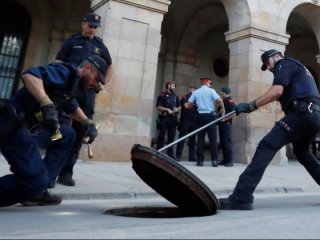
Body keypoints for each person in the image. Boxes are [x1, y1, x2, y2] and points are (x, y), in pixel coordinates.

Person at [219, 49, 320, 210]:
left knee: (266, 146)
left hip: (301, 113)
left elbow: (276, 91)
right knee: (302, 152)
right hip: (313, 115)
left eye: (268, 63)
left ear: (276, 57)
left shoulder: (284, 64)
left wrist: (250, 106)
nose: (269, 68)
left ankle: (242, 197)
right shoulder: (299, 68)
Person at [13, 55, 107, 206]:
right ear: (88, 68)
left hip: (35, 129)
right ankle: (32, 187)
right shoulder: (65, 72)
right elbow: (29, 74)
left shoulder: (72, 85)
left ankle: (40, 191)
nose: (96, 84)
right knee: (30, 177)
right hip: (16, 126)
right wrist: (46, 103)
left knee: (67, 134)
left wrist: (88, 123)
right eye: (97, 79)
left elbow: (72, 105)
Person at [55, 12, 113, 186]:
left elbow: (109, 66)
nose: (92, 29)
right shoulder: (72, 42)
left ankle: (66, 173)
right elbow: (58, 61)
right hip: (69, 90)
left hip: (87, 93)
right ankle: (53, 168)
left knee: (81, 132)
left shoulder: (100, 46)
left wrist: (102, 84)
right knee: (63, 130)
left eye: (95, 27)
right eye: (90, 25)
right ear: (83, 24)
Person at [0, 101, 48, 207]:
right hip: (10, 124)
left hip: (14, 122)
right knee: (35, 181)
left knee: (67, 134)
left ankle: (36, 193)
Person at [185, 77, 225, 167]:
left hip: (200, 116)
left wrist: (193, 107)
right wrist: (222, 110)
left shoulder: (196, 92)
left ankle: (200, 161)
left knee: (200, 139)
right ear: (207, 83)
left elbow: (189, 104)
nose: (211, 85)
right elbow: (219, 100)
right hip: (210, 116)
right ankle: (214, 160)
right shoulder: (211, 91)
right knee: (213, 139)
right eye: (210, 83)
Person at [156, 81, 181, 158]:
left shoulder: (175, 96)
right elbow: (158, 107)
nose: (174, 87)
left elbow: (179, 106)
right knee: (162, 136)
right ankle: (159, 153)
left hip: (173, 119)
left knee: (172, 137)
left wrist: (177, 109)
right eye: (173, 86)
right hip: (165, 118)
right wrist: (167, 109)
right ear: (168, 86)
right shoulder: (162, 95)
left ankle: (170, 155)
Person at [175, 86, 197, 162]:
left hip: (194, 121)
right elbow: (186, 106)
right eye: (192, 89)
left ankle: (192, 157)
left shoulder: (196, 98)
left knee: (193, 140)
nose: (193, 91)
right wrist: (194, 106)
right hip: (185, 121)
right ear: (189, 90)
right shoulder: (185, 97)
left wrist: (193, 105)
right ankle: (178, 156)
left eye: (195, 90)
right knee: (182, 139)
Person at [218, 86, 236, 167]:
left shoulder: (230, 100)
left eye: (222, 91)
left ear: (224, 92)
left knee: (227, 142)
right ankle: (225, 160)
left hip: (226, 124)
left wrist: (225, 119)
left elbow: (234, 113)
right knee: (222, 142)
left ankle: (230, 161)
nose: (221, 93)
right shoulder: (223, 100)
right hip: (221, 124)